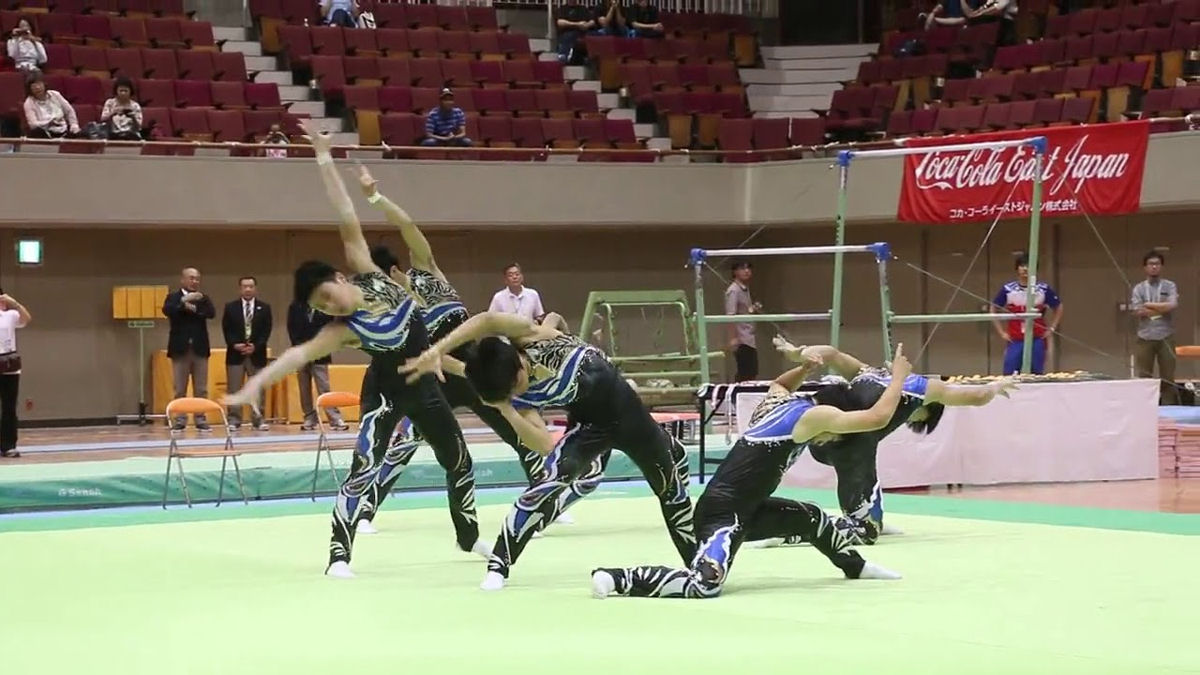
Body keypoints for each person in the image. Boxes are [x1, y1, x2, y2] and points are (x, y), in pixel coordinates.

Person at [223, 122, 483, 579]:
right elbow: (295, 357)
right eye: (319, 306)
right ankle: (338, 556)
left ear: (340, 279)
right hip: (383, 394)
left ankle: (469, 536)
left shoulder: (367, 269)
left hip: (424, 386)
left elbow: (344, 210)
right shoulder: (343, 329)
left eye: (326, 295)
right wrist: (253, 388)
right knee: (363, 469)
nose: (328, 306)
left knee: (458, 459)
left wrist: (324, 156)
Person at [347, 166, 585, 534]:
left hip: (473, 370)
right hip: (439, 378)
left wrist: (375, 199)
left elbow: (409, 227)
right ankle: (365, 511)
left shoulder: (430, 275)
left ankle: (544, 497)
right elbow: (430, 355)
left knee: (515, 430)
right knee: (405, 445)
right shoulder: (397, 312)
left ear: (392, 271)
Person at [401, 310, 695, 592]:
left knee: (669, 487)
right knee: (550, 479)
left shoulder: (532, 336)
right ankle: (499, 565)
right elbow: (542, 443)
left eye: (516, 384)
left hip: (628, 413)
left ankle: (697, 564)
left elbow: (488, 320)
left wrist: (436, 350)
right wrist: (507, 408)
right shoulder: (514, 394)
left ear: (517, 360)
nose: (520, 390)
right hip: (590, 426)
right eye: (511, 393)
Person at [589, 346, 915, 600]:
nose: (829, 442)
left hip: (751, 509)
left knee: (813, 519)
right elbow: (875, 418)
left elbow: (778, 383)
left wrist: (803, 369)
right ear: (831, 415)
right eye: (836, 432)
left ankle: (857, 568)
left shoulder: (779, 403)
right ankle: (619, 577)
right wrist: (898, 377)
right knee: (705, 584)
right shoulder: (813, 418)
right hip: (722, 514)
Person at [756, 339, 1017, 546]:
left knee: (865, 448)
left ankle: (867, 515)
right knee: (866, 532)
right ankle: (798, 527)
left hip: (820, 436)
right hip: (849, 443)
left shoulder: (865, 372)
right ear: (927, 411)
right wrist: (996, 386)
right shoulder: (919, 388)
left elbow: (831, 353)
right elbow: (976, 396)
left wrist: (800, 353)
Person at [990, 252, 1061, 375]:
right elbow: (993, 309)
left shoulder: (1043, 289)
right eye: (1022, 265)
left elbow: (1058, 306)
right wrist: (1001, 332)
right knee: (1010, 372)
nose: (1025, 269)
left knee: (1036, 373)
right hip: (1015, 338)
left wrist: (1052, 328)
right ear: (1017, 268)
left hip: (1037, 338)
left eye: (1028, 266)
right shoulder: (1008, 289)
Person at [163, 267, 215, 432]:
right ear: (183, 280)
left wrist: (193, 308)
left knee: (201, 388)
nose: (195, 281)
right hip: (180, 348)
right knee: (180, 388)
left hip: (199, 348)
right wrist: (183, 303)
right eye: (191, 278)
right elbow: (168, 311)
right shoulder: (173, 297)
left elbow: (211, 313)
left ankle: (200, 419)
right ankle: (180, 419)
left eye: (197, 279)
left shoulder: (202, 298)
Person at [286, 300, 348, 431]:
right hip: (301, 352)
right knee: (304, 388)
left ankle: (335, 419)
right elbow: (291, 328)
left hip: (320, 353)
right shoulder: (295, 306)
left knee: (324, 387)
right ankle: (309, 418)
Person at [221, 276, 272, 431]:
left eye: (251, 286)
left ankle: (258, 419)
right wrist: (235, 344)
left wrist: (255, 346)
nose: (248, 289)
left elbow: (266, 331)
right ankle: (234, 420)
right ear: (240, 289)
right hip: (235, 356)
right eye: (245, 286)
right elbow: (226, 329)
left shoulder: (264, 308)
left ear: (255, 288)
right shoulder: (231, 307)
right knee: (235, 388)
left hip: (257, 355)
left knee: (257, 389)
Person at [1131, 250, 1179, 405]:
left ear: (1161, 267)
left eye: (1157, 264)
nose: (1154, 267)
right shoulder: (1138, 288)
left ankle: (1169, 410)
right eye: (1151, 264)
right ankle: (1145, 408)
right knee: (1144, 377)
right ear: (1145, 267)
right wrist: (1161, 308)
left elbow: (1172, 305)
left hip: (1166, 336)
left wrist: (1148, 305)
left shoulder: (1169, 285)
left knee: (1168, 377)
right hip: (1145, 337)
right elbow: (1138, 311)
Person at [0, 291, 31, 459]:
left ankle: (8, 445)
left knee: (9, 407)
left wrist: (15, 303)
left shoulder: (10, 315)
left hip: (9, 365)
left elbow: (26, 319)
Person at [725, 260, 760, 382]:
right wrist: (733, 338)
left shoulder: (745, 289)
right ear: (735, 271)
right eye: (742, 268)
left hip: (749, 337)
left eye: (748, 268)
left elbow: (744, 311)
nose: (746, 271)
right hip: (742, 339)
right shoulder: (733, 290)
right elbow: (730, 315)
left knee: (752, 371)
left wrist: (752, 309)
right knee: (745, 373)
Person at [23, 73, 79, 139]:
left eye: (39, 84)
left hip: (64, 130)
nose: (37, 87)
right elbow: (33, 125)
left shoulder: (55, 95)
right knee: (36, 132)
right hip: (46, 133)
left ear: (44, 84)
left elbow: (69, 111)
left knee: (88, 129)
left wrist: (74, 124)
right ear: (29, 89)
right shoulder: (29, 102)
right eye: (34, 86)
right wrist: (49, 122)